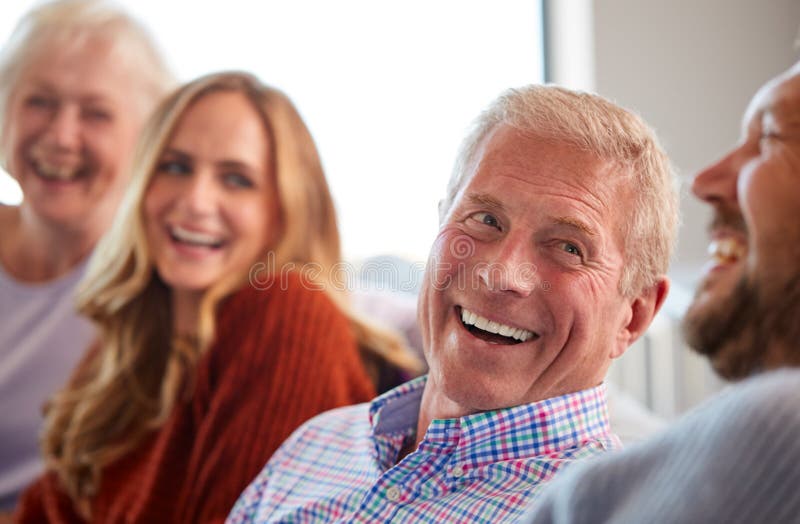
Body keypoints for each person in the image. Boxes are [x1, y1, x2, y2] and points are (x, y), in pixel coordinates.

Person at [228, 84, 679, 523]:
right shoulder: (318, 445)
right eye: (485, 219)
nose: (499, 273)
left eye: (568, 248)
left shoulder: (606, 511)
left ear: (634, 315)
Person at [13, 71, 418, 523]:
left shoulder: (289, 312)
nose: (195, 200)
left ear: (285, 211)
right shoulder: (134, 343)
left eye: (236, 179)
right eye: (175, 167)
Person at [523, 62, 800, 524]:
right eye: (486, 221)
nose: (702, 181)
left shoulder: (779, 429)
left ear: (634, 316)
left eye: (771, 137)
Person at [0, 0, 174, 510]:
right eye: (39, 102)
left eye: (96, 113)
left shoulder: (163, 285)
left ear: (147, 137)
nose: (60, 136)